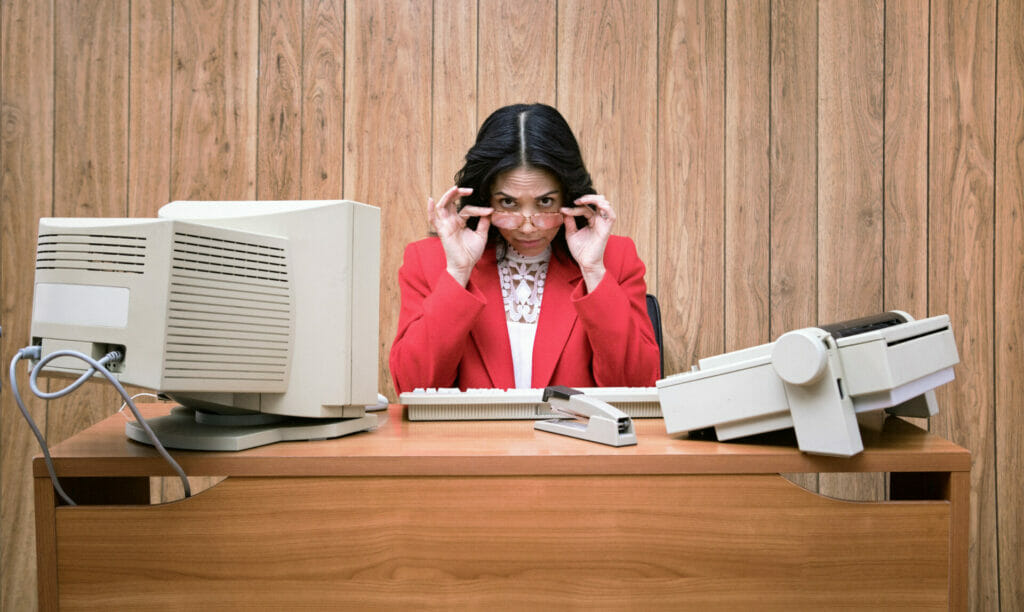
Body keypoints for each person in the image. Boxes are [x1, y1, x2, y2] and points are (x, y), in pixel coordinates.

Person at [389, 103, 660, 393]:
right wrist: (458, 271)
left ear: (570, 197)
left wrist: (593, 271)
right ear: (484, 198)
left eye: (545, 203)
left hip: (576, 439)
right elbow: (412, 388)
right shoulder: (428, 261)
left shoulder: (615, 259)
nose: (528, 227)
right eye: (508, 203)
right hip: (472, 439)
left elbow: (638, 387)